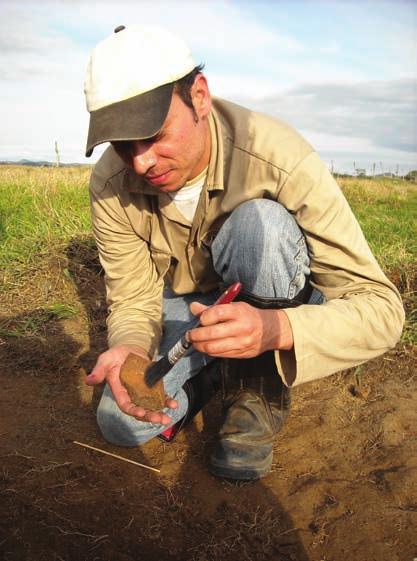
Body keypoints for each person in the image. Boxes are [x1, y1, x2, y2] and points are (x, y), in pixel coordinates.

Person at [83, 24, 404, 480]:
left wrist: (277, 328)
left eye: (153, 135)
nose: (140, 162)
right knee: (120, 423)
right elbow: (134, 299)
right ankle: (214, 369)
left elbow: (383, 311)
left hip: (278, 302)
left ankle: (257, 385)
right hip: (193, 306)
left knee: (262, 227)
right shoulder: (110, 183)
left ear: (198, 96)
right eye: (121, 144)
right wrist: (132, 346)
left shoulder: (279, 155)